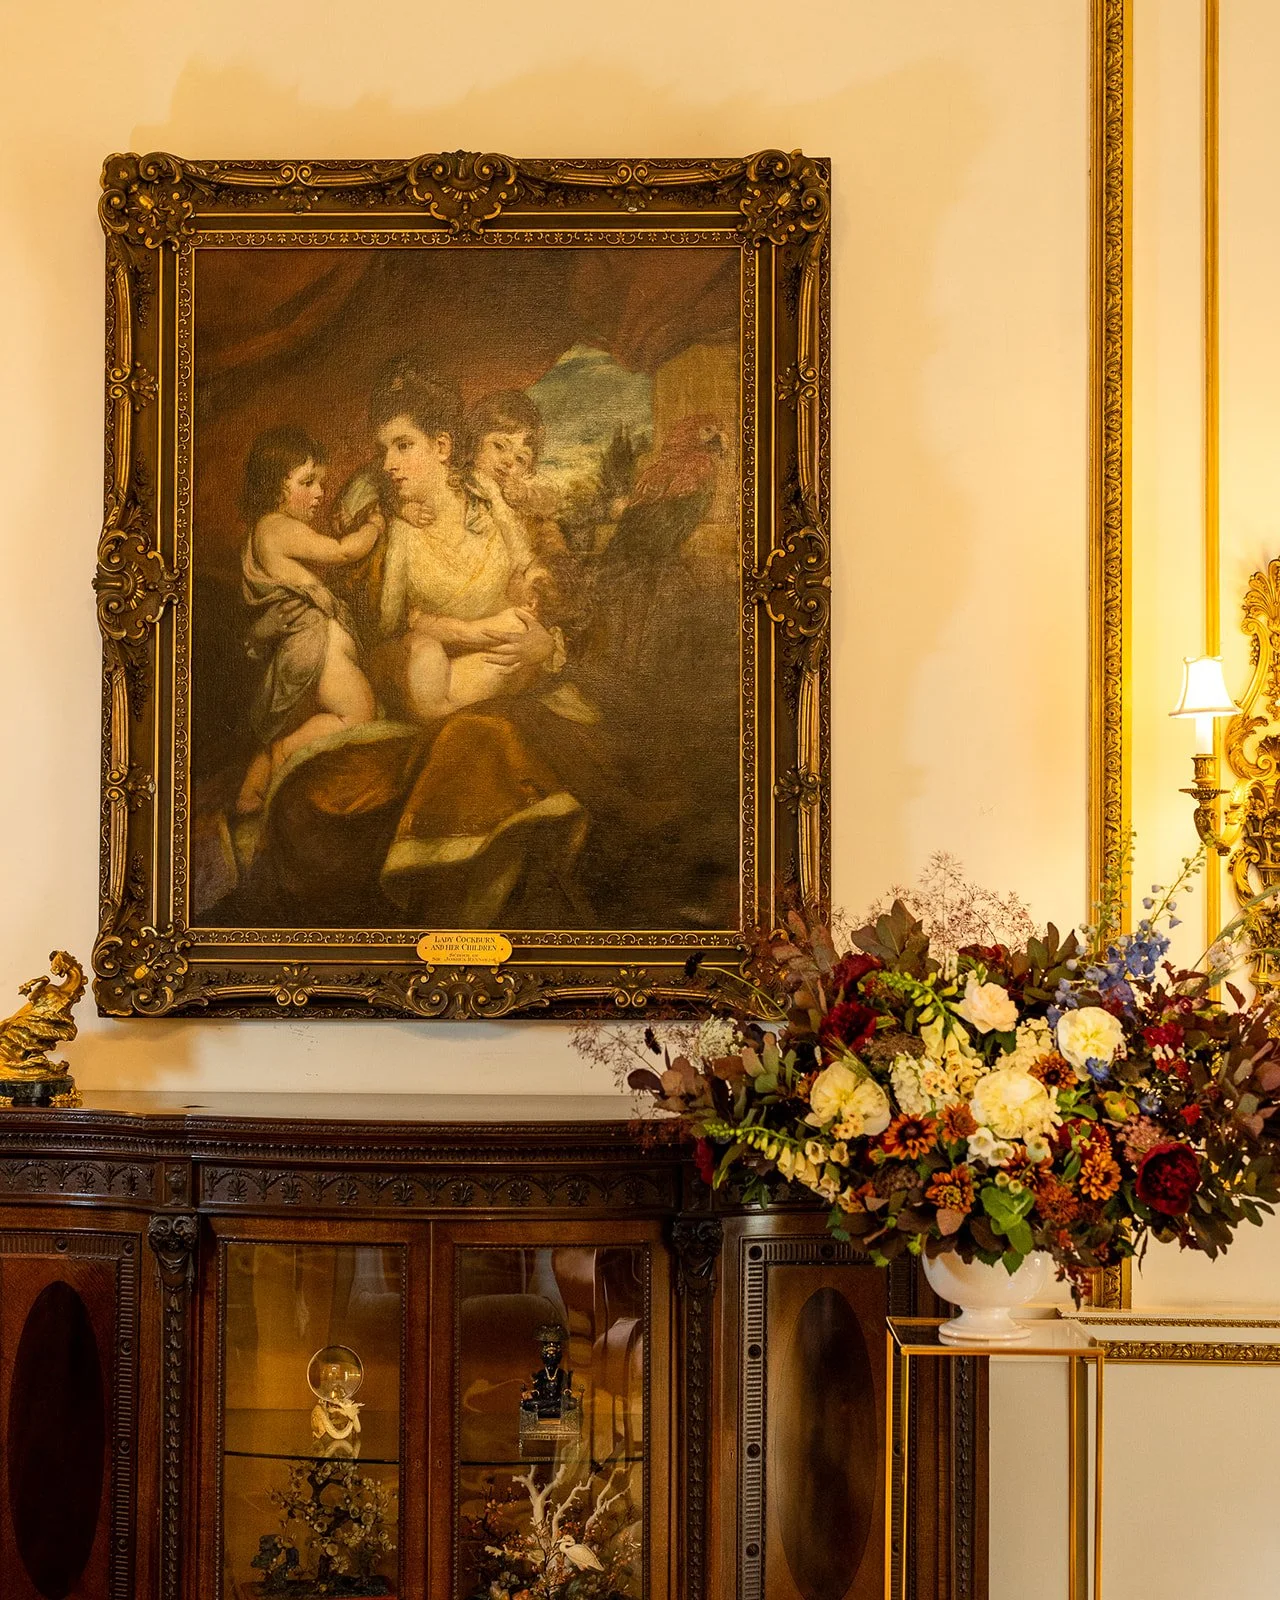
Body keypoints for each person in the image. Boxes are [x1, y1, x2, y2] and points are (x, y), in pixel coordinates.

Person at [235, 426, 384, 815]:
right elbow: (343, 551)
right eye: (307, 482)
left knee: (291, 723)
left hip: (306, 647)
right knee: (358, 715)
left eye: (321, 481)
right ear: (274, 486)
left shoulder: (262, 532)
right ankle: (285, 753)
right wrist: (374, 526)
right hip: (317, 648)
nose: (320, 492)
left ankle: (250, 795)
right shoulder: (277, 527)